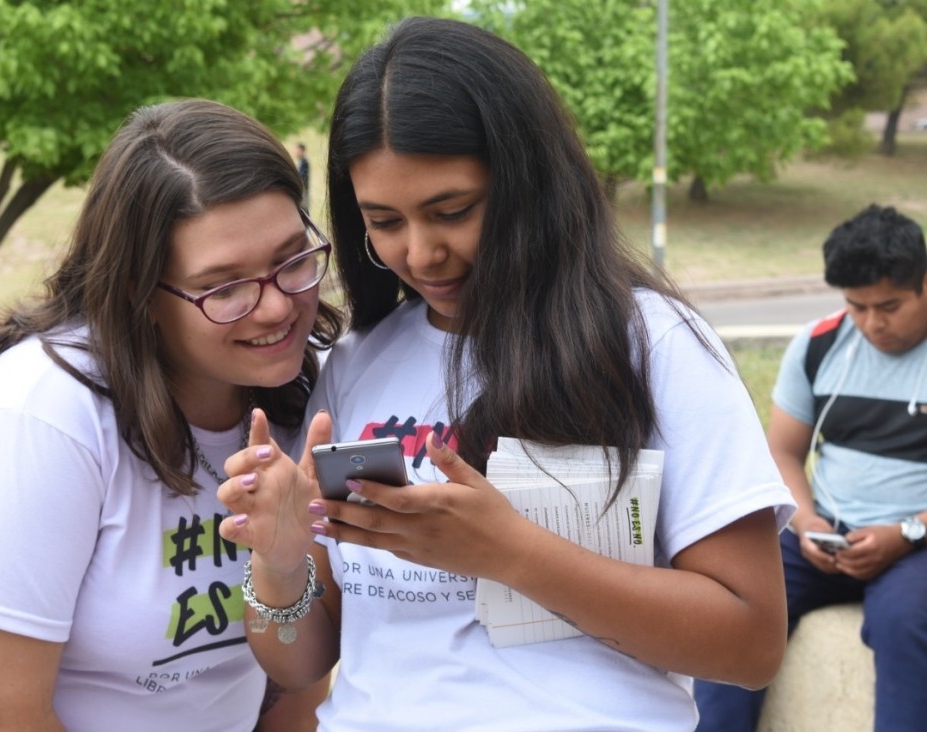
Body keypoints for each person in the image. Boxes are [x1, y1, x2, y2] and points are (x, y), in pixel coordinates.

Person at [218, 17, 796, 731]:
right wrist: (279, 563)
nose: (421, 253)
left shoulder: (653, 346)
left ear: (527, 180)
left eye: (451, 211)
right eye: (384, 221)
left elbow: (750, 644)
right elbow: (302, 663)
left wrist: (511, 553)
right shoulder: (359, 363)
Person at [0, 98, 341, 730]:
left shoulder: (309, 387)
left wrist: (285, 566)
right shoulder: (40, 413)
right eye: (224, 287)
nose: (276, 309)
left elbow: (297, 688)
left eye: (292, 260)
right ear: (138, 292)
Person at [694, 204, 927, 732]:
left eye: (889, 305)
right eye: (856, 306)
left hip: (916, 539)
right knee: (728, 592)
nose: (872, 324)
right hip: (827, 533)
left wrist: (906, 532)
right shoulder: (820, 344)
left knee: (904, 620)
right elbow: (782, 453)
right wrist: (807, 522)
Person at [295, 143, 310, 212]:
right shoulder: (301, 161)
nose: (296, 152)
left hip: (303, 190)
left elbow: (302, 176)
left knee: (303, 209)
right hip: (302, 190)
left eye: (298, 151)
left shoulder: (304, 162)